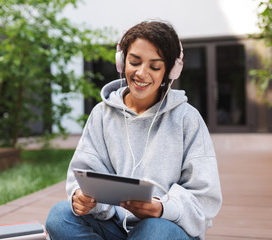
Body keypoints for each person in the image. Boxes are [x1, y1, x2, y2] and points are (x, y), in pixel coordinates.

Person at [45, 20, 222, 240]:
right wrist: (80, 197)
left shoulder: (187, 118)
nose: (141, 73)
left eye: (154, 67)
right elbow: (83, 173)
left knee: (153, 230)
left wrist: (162, 208)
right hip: (114, 226)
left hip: (165, 228)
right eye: (134, 62)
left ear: (170, 71)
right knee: (59, 216)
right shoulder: (102, 114)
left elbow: (205, 196)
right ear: (121, 62)